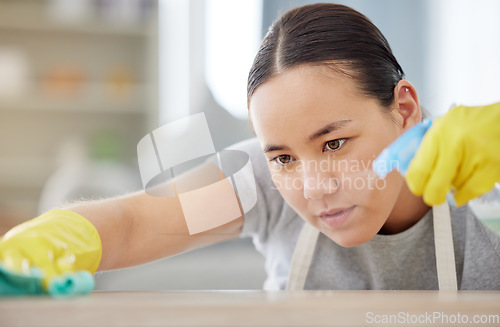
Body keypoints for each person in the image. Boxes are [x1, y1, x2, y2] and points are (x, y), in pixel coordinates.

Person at [1, 3, 500, 294]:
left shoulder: (483, 182)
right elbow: (137, 224)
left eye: (335, 142)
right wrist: (45, 242)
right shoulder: (259, 185)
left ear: (405, 109)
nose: (313, 187)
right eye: (283, 156)